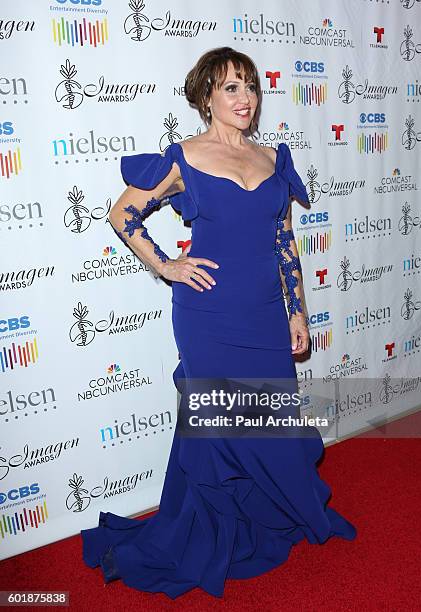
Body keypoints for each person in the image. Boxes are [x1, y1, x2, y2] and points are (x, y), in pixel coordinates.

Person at [81, 47, 357, 600]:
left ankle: (262, 519)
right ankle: (208, 535)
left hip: (263, 315)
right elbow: (122, 213)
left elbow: (284, 241)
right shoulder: (183, 158)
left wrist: (297, 310)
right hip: (207, 314)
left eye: (250, 87)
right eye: (230, 87)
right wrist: (167, 266)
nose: (245, 98)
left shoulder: (271, 159)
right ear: (205, 95)